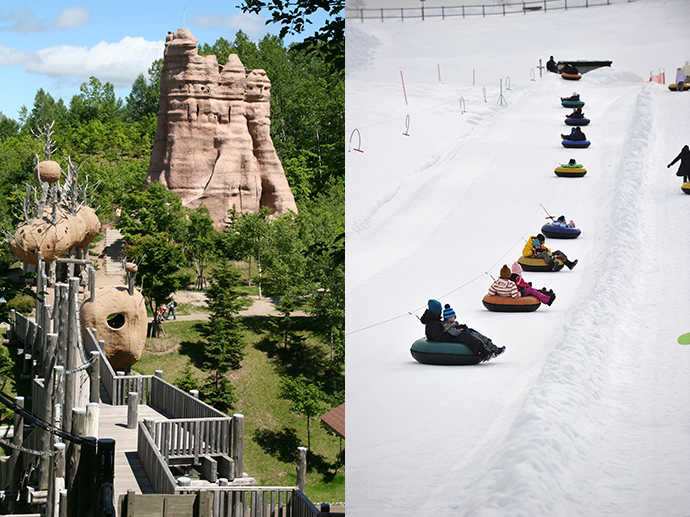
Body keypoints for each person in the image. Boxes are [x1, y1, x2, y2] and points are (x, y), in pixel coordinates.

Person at [420, 300, 503, 362]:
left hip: (449, 336)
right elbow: (440, 338)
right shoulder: (432, 323)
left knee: (470, 331)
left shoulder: (435, 320)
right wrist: (456, 333)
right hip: (446, 340)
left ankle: (492, 348)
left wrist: (459, 328)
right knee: (465, 336)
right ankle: (485, 353)